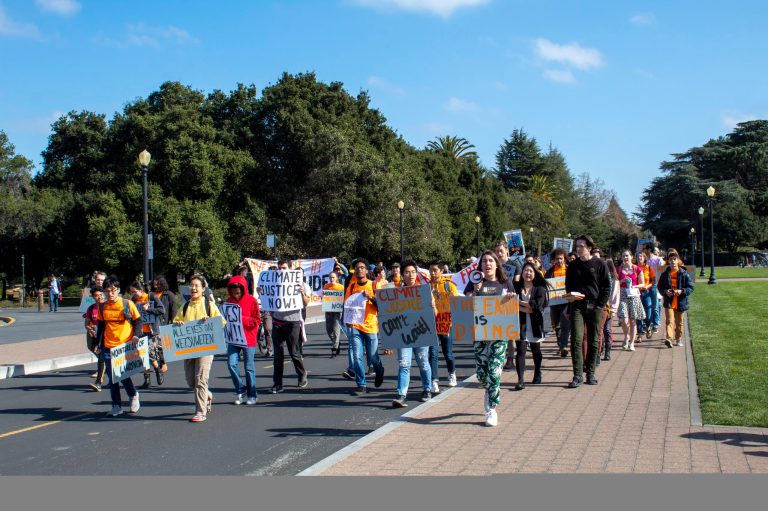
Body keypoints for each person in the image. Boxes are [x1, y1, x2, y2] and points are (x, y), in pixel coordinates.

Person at [465, 250, 517, 427]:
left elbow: (512, 306)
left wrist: (511, 299)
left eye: (490, 261)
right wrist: (475, 293)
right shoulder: (474, 282)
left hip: (499, 335)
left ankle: (492, 410)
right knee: (482, 373)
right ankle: (488, 390)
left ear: (496, 264)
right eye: (484, 261)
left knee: (494, 372)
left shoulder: (505, 283)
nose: (487, 264)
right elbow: (466, 304)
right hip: (480, 334)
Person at [172, 274, 225, 423]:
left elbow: (221, 322)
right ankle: (207, 395)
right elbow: (176, 322)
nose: (193, 288)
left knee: (201, 379)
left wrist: (210, 321)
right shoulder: (186, 306)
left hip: (206, 348)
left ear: (203, 289)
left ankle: (200, 411)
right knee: (191, 381)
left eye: (197, 286)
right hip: (189, 349)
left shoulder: (209, 305)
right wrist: (178, 324)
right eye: (191, 285)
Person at [564, 235, 611, 388]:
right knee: (576, 339)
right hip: (577, 305)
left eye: (582, 246)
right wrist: (571, 295)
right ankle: (577, 375)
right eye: (577, 246)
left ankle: (590, 373)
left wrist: (600, 305)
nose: (578, 249)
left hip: (595, 306)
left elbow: (606, 287)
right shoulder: (573, 265)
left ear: (589, 247)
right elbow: (568, 285)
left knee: (593, 339)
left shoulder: (600, 264)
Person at [96, 277, 142, 417]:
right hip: (108, 346)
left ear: (118, 290)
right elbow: (101, 326)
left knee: (122, 374)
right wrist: (97, 344)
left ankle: (133, 394)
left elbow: (138, 321)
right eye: (107, 291)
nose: (110, 294)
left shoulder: (127, 304)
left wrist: (136, 336)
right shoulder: (103, 307)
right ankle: (116, 405)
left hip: (124, 345)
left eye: (113, 291)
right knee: (112, 377)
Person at [391, 260, 433, 408]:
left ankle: (427, 389)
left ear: (417, 274)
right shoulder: (395, 293)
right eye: (407, 272)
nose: (410, 275)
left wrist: (431, 306)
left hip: (421, 332)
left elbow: (434, 313)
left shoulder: (424, 291)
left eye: (413, 272)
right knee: (404, 364)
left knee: (423, 362)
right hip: (403, 334)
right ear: (402, 275)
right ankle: (401, 394)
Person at [343, 258, 385, 396]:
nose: (359, 269)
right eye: (357, 267)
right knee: (357, 356)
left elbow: (383, 306)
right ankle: (361, 384)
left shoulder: (374, 285)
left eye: (362, 267)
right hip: (355, 326)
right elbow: (347, 305)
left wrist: (371, 298)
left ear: (366, 270)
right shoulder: (352, 286)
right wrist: (347, 319)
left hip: (371, 326)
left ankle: (379, 370)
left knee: (373, 356)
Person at [269, 261, 309, 393]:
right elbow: (267, 300)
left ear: (290, 269)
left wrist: (303, 293)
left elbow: (306, 302)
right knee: (278, 356)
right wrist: (262, 292)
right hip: (277, 322)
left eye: (284, 268)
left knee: (294, 352)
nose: (282, 270)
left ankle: (302, 374)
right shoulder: (273, 282)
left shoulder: (298, 283)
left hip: (293, 322)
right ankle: (277, 383)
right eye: (280, 268)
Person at [224, 275, 261, 405]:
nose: (236, 294)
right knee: (231, 363)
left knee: (249, 367)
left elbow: (257, 320)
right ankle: (240, 389)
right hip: (233, 339)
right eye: (233, 292)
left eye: (238, 292)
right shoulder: (228, 301)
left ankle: (252, 394)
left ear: (243, 289)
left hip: (248, 338)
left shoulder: (251, 301)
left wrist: (241, 318)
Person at [513, 262, 549, 389]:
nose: (528, 273)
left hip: (535, 324)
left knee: (536, 350)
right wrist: (526, 307)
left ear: (535, 274)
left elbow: (537, 306)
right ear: (522, 273)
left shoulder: (540, 288)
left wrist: (519, 304)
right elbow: (510, 303)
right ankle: (520, 379)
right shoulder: (515, 286)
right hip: (520, 324)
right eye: (526, 270)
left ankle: (537, 372)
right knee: (521, 351)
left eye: (531, 271)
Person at [428, 259, 459, 391]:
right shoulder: (426, 286)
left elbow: (457, 303)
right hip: (432, 322)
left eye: (435, 270)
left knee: (448, 352)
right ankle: (434, 380)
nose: (433, 273)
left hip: (446, 321)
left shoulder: (449, 285)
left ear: (441, 271)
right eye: (431, 271)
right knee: (433, 353)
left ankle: (452, 374)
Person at [129, 281, 166, 389]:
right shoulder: (134, 301)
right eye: (132, 292)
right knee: (142, 354)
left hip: (151, 331)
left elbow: (162, 310)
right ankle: (147, 379)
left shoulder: (151, 297)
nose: (133, 294)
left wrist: (149, 309)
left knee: (149, 353)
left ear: (141, 290)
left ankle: (158, 370)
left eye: (134, 291)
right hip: (140, 331)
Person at [657, 250, 694, 348]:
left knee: (679, 322)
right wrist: (665, 292)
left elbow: (690, 287)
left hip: (680, 301)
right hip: (669, 301)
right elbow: (660, 287)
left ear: (678, 261)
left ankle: (678, 338)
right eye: (670, 259)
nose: (673, 261)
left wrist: (681, 291)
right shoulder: (665, 274)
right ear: (668, 261)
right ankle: (669, 339)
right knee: (669, 321)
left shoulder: (684, 273)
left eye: (674, 259)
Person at [617, 250, 646, 352]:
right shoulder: (619, 269)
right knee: (623, 320)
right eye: (624, 256)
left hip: (633, 295)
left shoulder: (636, 269)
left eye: (627, 256)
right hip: (623, 295)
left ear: (631, 257)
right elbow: (615, 283)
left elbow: (643, 284)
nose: (625, 258)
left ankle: (632, 343)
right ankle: (626, 336)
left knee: (633, 321)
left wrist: (635, 285)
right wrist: (622, 281)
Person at [545, 248, 570, 358]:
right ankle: (560, 345)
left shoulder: (569, 270)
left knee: (565, 323)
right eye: (557, 259)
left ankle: (563, 346)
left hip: (566, 301)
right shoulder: (550, 272)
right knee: (556, 325)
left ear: (564, 259)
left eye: (561, 259)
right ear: (553, 260)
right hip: (554, 302)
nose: (559, 261)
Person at [83, 285, 106, 391]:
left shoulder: (107, 306)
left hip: (106, 334)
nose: (99, 297)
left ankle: (98, 382)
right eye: (96, 295)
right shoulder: (91, 308)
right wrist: (90, 329)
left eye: (101, 295)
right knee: (90, 346)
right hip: (95, 333)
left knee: (101, 357)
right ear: (93, 297)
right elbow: (86, 323)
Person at [153, 275, 176, 377]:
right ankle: (159, 363)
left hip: (164, 322)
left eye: (157, 284)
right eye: (154, 284)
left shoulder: (169, 295)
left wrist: (173, 322)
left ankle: (163, 363)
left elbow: (173, 309)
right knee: (154, 345)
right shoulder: (152, 295)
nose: (155, 286)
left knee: (161, 345)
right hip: (153, 323)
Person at [601, 259, 621, 361]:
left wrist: (613, 310)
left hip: (609, 308)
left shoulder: (615, 281)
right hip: (600, 308)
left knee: (607, 329)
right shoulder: (600, 278)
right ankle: (601, 349)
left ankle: (608, 350)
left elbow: (616, 296)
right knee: (600, 330)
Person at [644, 244, 664, 335]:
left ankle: (655, 324)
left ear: (649, 249)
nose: (644, 251)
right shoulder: (645, 260)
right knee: (647, 305)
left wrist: (659, 283)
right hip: (647, 285)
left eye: (645, 249)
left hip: (655, 285)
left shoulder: (658, 259)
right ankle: (648, 323)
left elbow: (661, 272)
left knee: (655, 306)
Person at [323, 271, 344, 358]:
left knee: (336, 330)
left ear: (337, 278)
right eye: (330, 277)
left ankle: (334, 349)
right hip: (328, 310)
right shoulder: (326, 286)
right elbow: (324, 297)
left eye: (333, 277)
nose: (332, 279)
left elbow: (343, 298)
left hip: (337, 311)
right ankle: (337, 342)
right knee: (329, 330)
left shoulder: (341, 287)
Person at [636, 252, 657, 340]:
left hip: (646, 292)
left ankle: (648, 327)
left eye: (641, 256)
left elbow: (653, 281)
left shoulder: (649, 268)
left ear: (644, 258)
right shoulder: (634, 268)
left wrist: (647, 286)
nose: (639, 258)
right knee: (638, 314)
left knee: (648, 314)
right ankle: (639, 334)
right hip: (636, 293)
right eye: (638, 256)